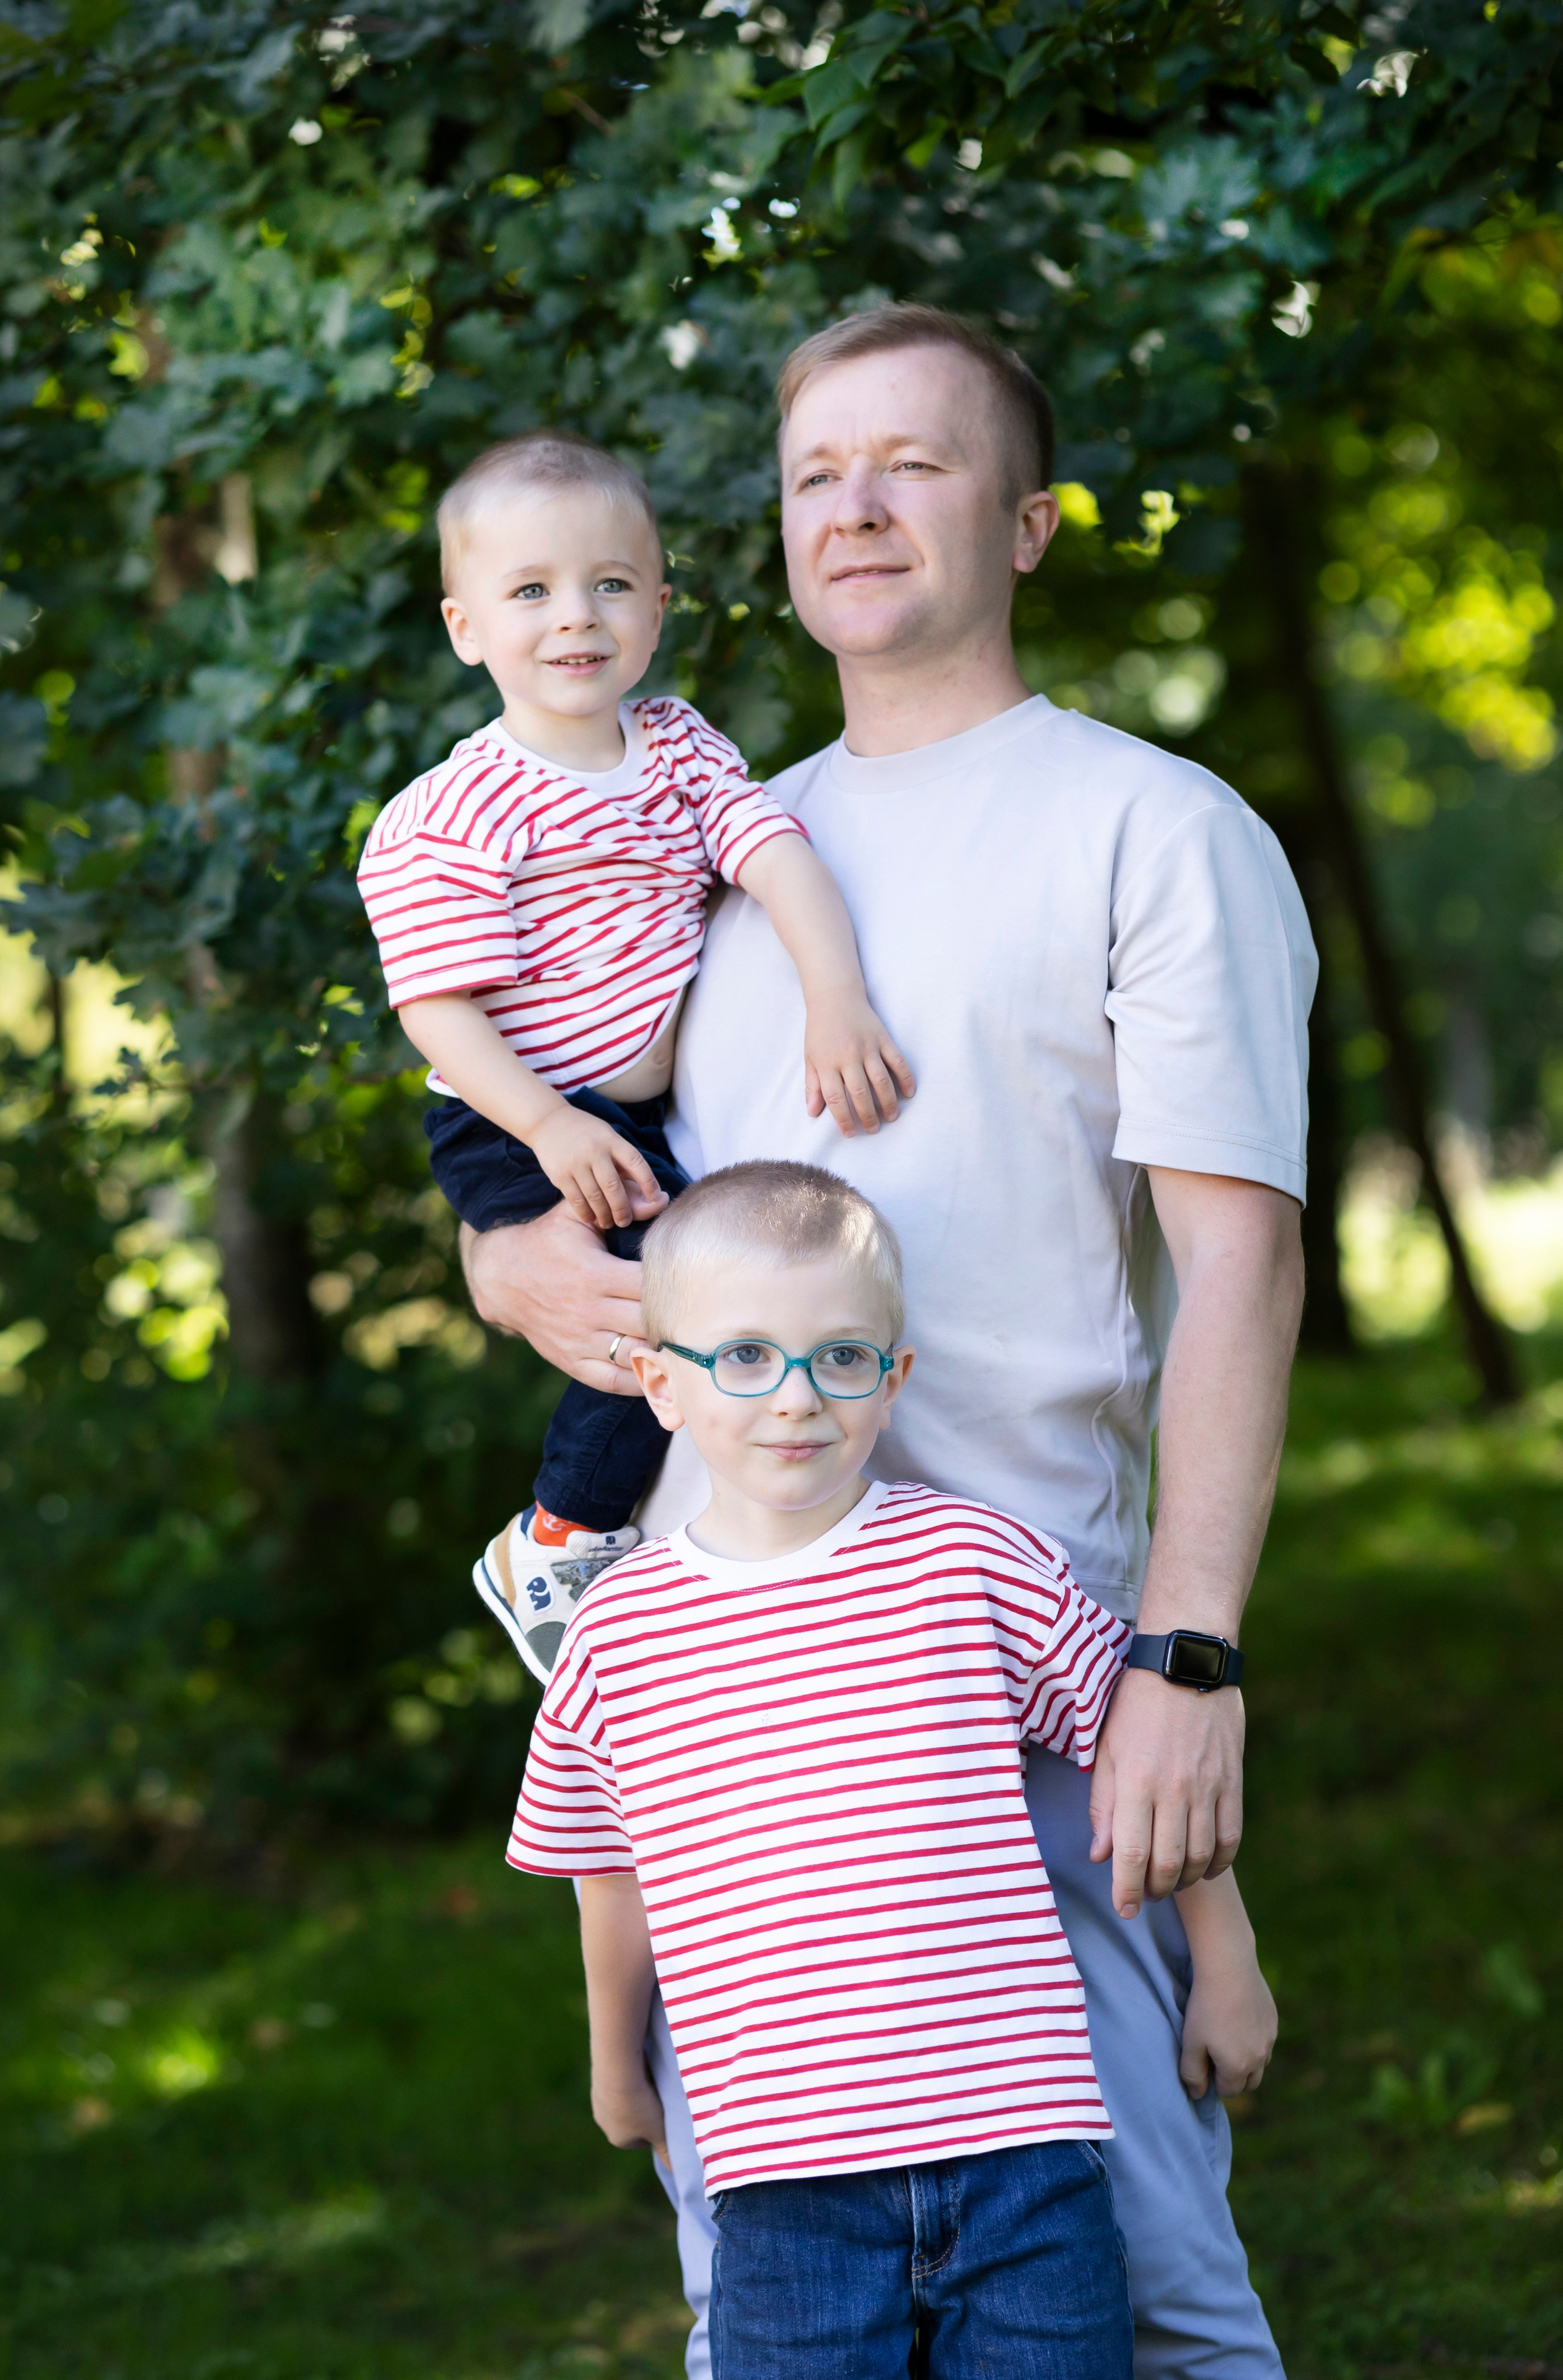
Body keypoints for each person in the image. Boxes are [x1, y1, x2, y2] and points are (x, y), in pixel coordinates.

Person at [467, 303, 1310, 2379]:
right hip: (730, 1705)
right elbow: (588, 1163)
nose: (857, 503)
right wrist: (499, 1253)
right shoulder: (705, 857)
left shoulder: (1154, 828)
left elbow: (1245, 1270)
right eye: (818, 470)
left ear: (1025, 525)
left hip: (1020, 1694)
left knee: (1154, 2303)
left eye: (915, 464)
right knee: (760, 2315)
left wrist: (1188, 1656)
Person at [509, 1161, 1277, 2380]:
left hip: (1023, 2158)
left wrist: (1223, 1964)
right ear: (659, 1381)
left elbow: (1140, 1765)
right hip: (782, 2185)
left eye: (841, 1357)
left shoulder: (966, 1561)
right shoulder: (618, 1631)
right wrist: (617, 2060)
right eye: (744, 1357)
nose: (796, 1399)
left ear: (893, 1373)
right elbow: (610, 1872)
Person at [356, 430, 911, 1680]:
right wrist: (549, 1130)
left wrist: (835, 995)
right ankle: (555, 1539)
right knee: (655, 1326)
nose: (576, 617)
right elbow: (436, 1008)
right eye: (531, 591)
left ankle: (704, 1549)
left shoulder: (678, 750)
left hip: (636, 1116)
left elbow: (776, 859)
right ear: (465, 627)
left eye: (611, 584)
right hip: (515, 1113)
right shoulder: (454, 812)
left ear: (658, 605)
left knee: (704, 1305)